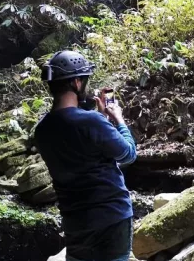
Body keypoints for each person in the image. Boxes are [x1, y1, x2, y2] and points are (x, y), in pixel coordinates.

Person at [35, 51, 137, 261]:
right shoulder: (91, 122)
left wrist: (99, 119)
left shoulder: (42, 130)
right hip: (111, 218)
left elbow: (78, 149)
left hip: (75, 222)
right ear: (76, 82)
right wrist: (118, 120)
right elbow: (128, 154)